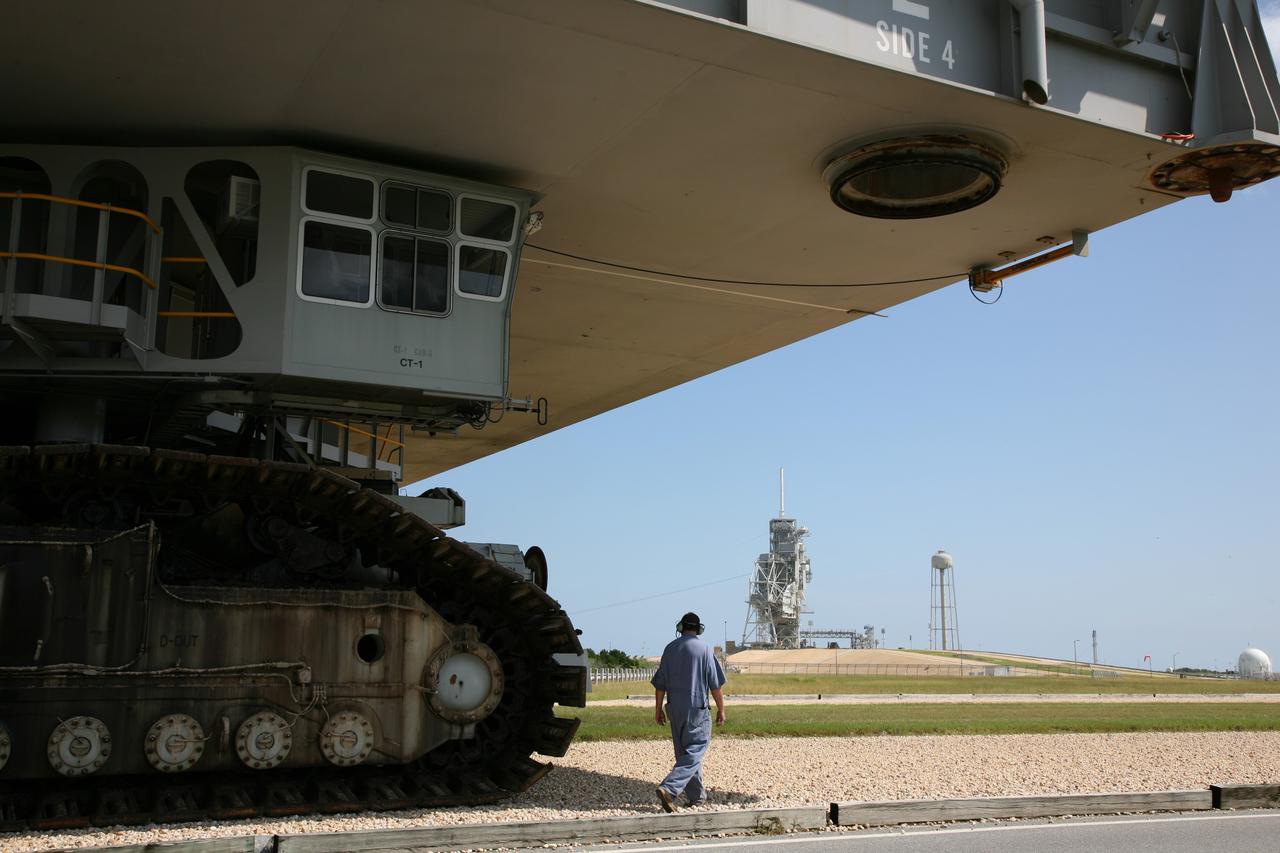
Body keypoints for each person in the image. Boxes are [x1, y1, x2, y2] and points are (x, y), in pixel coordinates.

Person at [651, 611, 726, 812]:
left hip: (674, 707)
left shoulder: (669, 649)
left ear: (681, 627)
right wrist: (721, 709)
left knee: (684, 753)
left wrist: (658, 709)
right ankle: (670, 788)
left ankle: (697, 797)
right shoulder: (705, 649)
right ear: (699, 629)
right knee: (695, 750)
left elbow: (660, 684)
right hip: (696, 709)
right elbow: (715, 684)